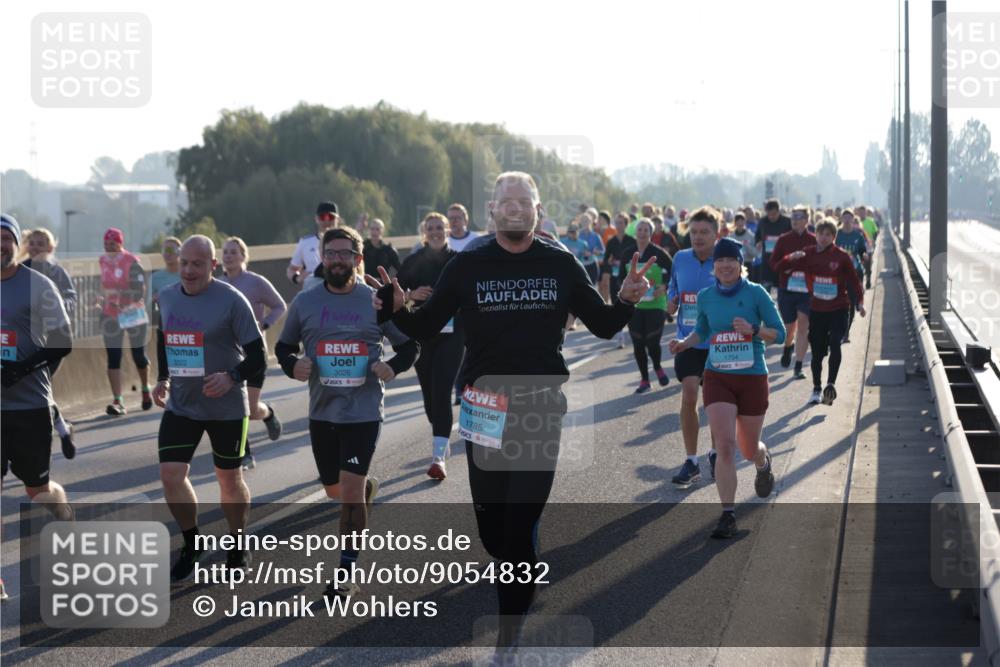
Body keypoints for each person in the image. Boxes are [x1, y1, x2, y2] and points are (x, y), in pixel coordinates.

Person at [370, 171, 653, 658]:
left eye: (525, 202)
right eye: (507, 202)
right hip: (484, 406)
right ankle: (517, 571)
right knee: (493, 532)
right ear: (493, 211)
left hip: (539, 404)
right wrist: (396, 310)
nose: (516, 208)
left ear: (538, 211)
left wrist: (625, 299)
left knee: (519, 528)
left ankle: (508, 635)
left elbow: (604, 325)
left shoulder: (560, 263)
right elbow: (427, 325)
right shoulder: (467, 265)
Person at [276, 226, 417, 599]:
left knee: (350, 493)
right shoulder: (305, 302)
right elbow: (283, 347)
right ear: (322, 258)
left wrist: (392, 366)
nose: (337, 260)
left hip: (363, 411)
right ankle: (364, 488)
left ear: (358, 259)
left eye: (345, 254)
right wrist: (293, 365)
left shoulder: (375, 301)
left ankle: (346, 571)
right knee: (335, 490)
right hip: (322, 411)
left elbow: (409, 347)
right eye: (331, 253)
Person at [152, 235, 267, 581]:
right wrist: (163, 377)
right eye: (184, 263)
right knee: (171, 475)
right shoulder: (167, 297)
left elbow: (259, 356)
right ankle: (192, 543)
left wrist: (231, 377)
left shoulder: (231, 300)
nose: (188, 270)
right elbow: (164, 338)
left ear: (212, 266)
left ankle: (238, 543)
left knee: (229, 479)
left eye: (197, 264)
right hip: (182, 404)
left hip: (226, 407)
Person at [669, 237, 786, 538]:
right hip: (718, 376)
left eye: (730, 260)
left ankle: (762, 462)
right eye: (719, 260)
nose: (724, 265)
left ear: (740, 264)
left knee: (748, 449)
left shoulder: (756, 293)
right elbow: (702, 331)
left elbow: (781, 334)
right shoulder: (706, 296)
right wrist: (684, 343)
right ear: (714, 266)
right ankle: (728, 515)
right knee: (724, 445)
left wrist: (754, 330)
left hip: (752, 377)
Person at [1, 215, 75, 530]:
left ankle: (63, 514)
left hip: (29, 406)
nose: (0, 245)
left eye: (6, 238)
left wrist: (21, 369)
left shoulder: (39, 285)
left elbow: (63, 342)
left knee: (38, 491)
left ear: (17, 244)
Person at [397, 213, 462, 480]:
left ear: (448, 230)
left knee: (442, 391)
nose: (435, 232)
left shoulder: (458, 261)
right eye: (430, 228)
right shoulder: (413, 261)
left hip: (452, 335)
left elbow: (471, 293)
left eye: (439, 227)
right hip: (422, 335)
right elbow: (394, 296)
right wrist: (412, 295)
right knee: (429, 398)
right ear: (424, 233)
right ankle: (441, 438)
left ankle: (438, 457)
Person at [775, 218, 865, 406]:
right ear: (815, 235)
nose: (823, 238)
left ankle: (830, 384)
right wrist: (790, 258)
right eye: (821, 234)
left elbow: (853, 281)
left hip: (839, 308)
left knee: (835, 342)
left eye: (828, 235)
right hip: (817, 309)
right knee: (817, 352)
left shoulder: (841, 256)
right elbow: (778, 267)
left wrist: (860, 303)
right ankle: (816, 388)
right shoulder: (807, 253)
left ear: (834, 237)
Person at [220, 237, 286, 468]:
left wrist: (265, 324)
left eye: (233, 252)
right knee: (236, 406)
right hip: (229, 354)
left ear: (243, 256)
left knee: (251, 408)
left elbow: (279, 305)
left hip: (254, 353)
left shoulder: (255, 282)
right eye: (225, 252)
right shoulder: (217, 285)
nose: (229, 256)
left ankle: (268, 413)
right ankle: (245, 453)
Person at [666, 206, 719, 488]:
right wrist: (672, 300)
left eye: (704, 232)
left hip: (717, 342)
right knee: (689, 393)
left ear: (716, 234)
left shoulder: (725, 258)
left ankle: (715, 454)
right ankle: (691, 461)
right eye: (694, 232)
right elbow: (673, 288)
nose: (698, 237)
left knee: (713, 400)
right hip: (687, 339)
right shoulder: (681, 258)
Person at [21, 228, 78, 459]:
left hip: (51, 342)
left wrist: (56, 304)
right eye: (32, 243)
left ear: (51, 247)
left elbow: (71, 298)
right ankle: (63, 430)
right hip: (24, 342)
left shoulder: (57, 272)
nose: (36, 247)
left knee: (38, 387)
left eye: (41, 243)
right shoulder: (19, 269)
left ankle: (54, 433)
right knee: (36, 389)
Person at [97, 227, 151, 415]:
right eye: (106, 244)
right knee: (113, 356)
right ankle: (118, 400)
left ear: (120, 244)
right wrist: (100, 298)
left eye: (112, 244)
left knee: (138, 356)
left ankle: (145, 388)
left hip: (132, 313)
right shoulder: (102, 260)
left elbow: (139, 291)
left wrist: (118, 295)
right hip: (110, 314)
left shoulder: (132, 261)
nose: (108, 248)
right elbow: (103, 285)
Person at [620, 218, 672, 393]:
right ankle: (644, 379)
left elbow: (674, 272)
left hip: (656, 304)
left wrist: (664, 286)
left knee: (652, 341)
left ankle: (657, 366)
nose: (642, 233)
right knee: (638, 343)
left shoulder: (658, 253)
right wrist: (623, 296)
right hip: (634, 306)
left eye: (646, 230)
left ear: (651, 233)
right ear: (635, 232)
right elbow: (619, 279)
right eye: (640, 229)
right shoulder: (628, 253)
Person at [769, 206, 816, 380]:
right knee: (790, 329)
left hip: (806, 292)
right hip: (787, 290)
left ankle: (798, 366)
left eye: (799, 217)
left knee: (803, 326)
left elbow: (820, 264)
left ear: (807, 220)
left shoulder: (814, 239)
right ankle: (788, 347)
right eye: (793, 217)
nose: (795, 220)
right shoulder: (783, 239)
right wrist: (789, 259)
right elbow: (774, 265)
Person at [601, 213, 638, 348]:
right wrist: (609, 266)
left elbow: (638, 258)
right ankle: (620, 337)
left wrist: (626, 263)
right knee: (617, 304)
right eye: (616, 223)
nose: (618, 225)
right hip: (615, 277)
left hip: (629, 277)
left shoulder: (632, 241)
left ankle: (635, 332)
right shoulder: (611, 241)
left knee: (630, 304)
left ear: (626, 225)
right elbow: (605, 259)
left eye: (621, 223)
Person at [287, 201, 340, 287]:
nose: (326, 220)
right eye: (322, 217)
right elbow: (292, 268)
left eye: (331, 217)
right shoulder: (305, 242)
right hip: (312, 289)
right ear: (316, 219)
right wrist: (297, 278)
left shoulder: (345, 242)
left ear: (337, 219)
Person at [835, 210, 869, 343]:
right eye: (845, 217)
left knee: (850, 302)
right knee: (838, 303)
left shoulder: (857, 235)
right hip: (838, 273)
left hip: (854, 272)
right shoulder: (836, 234)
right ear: (841, 219)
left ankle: (846, 333)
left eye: (850, 217)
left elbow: (862, 249)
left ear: (853, 219)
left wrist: (864, 254)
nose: (847, 220)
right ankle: (836, 329)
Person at [754, 199, 792, 294]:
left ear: (779, 211)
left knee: (782, 289)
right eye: (769, 214)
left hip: (782, 260)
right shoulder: (762, 221)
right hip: (767, 260)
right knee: (765, 289)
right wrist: (758, 242)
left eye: (774, 214)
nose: (771, 217)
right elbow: (757, 235)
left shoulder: (787, 222)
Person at [150, 236, 182, 324]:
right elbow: (147, 302)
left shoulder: (187, 275)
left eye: (171, 250)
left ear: (180, 252)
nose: (167, 254)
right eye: (164, 250)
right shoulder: (155, 278)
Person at [576, 214, 605, 286]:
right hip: (580, 265)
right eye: (583, 221)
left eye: (586, 220)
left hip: (593, 265)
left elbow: (603, 251)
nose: (585, 222)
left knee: (592, 287)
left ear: (591, 221)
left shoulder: (596, 236)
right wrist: (581, 252)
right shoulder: (577, 235)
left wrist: (596, 252)